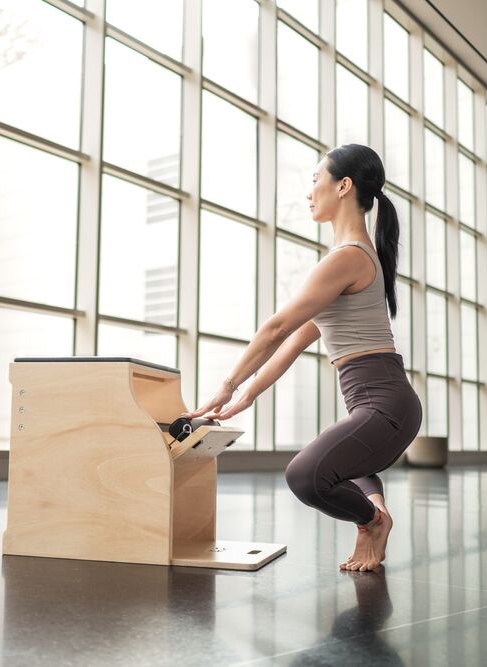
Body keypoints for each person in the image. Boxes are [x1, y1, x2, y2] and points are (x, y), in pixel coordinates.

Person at [181, 144, 423, 572]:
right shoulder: (351, 259)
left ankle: (373, 521)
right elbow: (292, 344)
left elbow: (275, 328)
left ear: (343, 186)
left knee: (304, 476)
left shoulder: (347, 257)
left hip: (384, 404)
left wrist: (227, 384)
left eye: (316, 180)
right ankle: (376, 513)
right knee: (343, 463)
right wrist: (247, 396)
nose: (310, 192)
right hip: (380, 402)